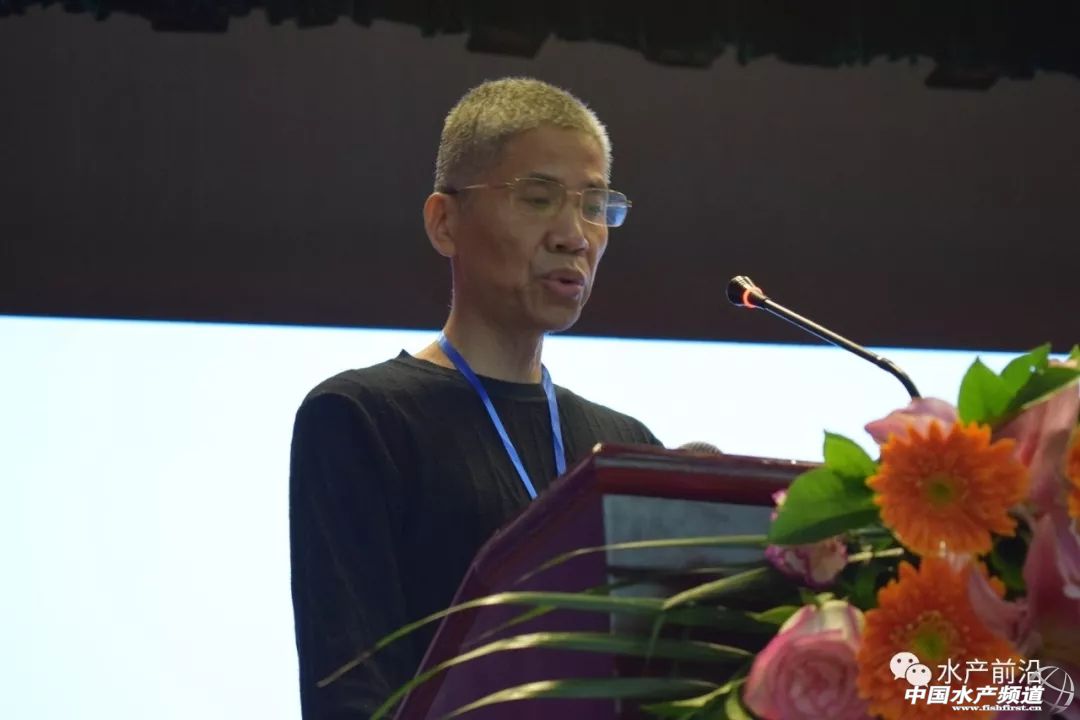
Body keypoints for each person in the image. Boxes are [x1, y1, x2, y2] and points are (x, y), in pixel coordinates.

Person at [289, 77, 662, 719]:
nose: (575, 235)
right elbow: (349, 693)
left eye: (595, 205)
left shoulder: (625, 446)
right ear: (445, 222)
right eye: (539, 198)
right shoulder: (361, 418)